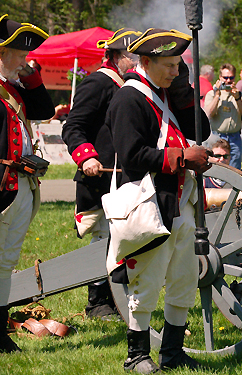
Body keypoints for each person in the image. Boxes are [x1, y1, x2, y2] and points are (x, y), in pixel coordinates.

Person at [106, 28, 211, 373]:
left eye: (178, 65)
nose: (175, 72)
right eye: (169, 66)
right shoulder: (129, 99)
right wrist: (182, 158)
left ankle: (173, 352)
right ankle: (136, 355)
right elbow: (132, 154)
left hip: (180, 201)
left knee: (183, 279)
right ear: (146, 61)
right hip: (150, 204)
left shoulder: (165, 93)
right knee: (147, 283)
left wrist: (183, 91)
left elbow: (203, 131)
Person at [61, 28, 141, 321]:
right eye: (133, 56)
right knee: (104, 239)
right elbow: (72, 126)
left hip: (126, 178)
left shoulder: (133, 85)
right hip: (101, 178)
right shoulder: (98, 82)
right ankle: (97, 302)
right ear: (118, 56)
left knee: (125, 238)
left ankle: (119, 299)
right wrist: (86, 156)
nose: (137, 61)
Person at [0, 14, 54, 353]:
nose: (25, 61)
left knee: (6, 261)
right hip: (2, 187)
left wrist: (30, 77)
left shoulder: (13, 86)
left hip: (19, 186)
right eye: (19, 55)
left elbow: (44, 110)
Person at [204, 63, 242, 169]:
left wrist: (237, 98)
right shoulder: (211, 94)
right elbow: (208, 114)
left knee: (235, 169)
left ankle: (231, 186)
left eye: (231, 77)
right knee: (214, 167)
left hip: (234, 137)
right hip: (217, 136)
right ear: (220, 78)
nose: (228, 81)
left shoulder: (240, 95)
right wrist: (217, 96)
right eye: (225, 78)